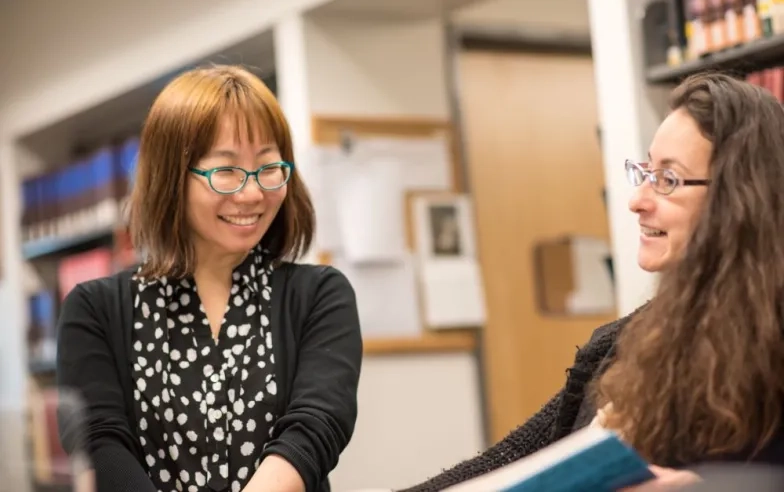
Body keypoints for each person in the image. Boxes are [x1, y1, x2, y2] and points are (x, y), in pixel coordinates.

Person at [398, 72, 784, 492]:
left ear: (739, 199)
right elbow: (516, 457)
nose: (638, 200)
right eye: (646, 172)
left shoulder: (772, 340)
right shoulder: (623, 341)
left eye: (668, 180)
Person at [56, 64, 363, 492]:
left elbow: (316, 426)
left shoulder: (319, 295)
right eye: (226, 171)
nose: (252, 193)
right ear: (170, 178)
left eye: (268, 167)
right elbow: (99, 443)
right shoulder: (95, 310)